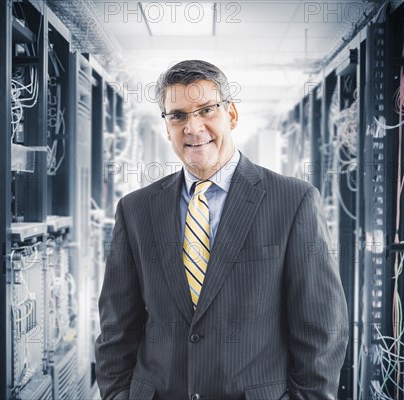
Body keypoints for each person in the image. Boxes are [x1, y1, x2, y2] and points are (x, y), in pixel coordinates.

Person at [95, 60, 348, 400]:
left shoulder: (293, 201)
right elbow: (116, 327)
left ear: (231, 115)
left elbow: (322, 328)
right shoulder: (135, 210)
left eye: (206, 110)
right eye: (178, 115)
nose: (193, 127)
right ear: (167, 126)